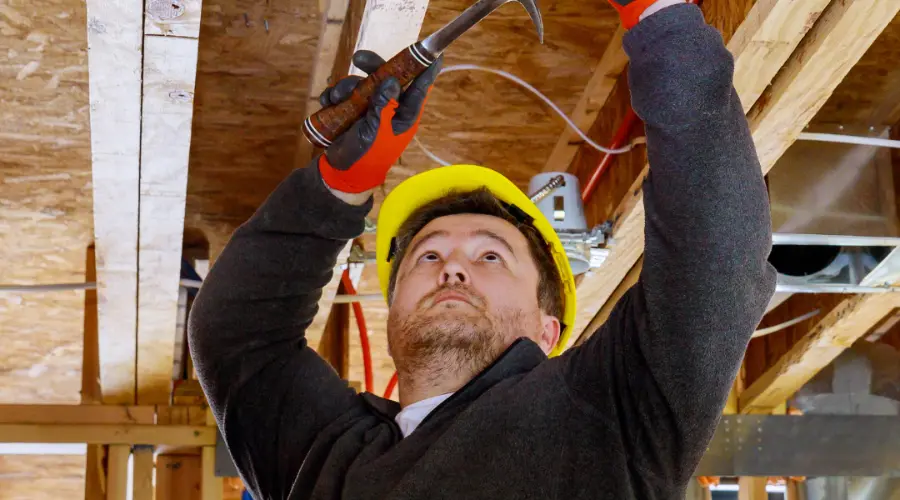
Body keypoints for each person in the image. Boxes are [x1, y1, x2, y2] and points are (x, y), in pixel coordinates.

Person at [188, 0, 776, 498]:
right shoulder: (324, 459)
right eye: (428, 256)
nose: (453, 269)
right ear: (393, 318)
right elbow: (237, 336)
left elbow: (715, 264)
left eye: (491, 255)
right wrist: (338, 187)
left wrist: (658, 16)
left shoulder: (609, 416)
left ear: (550, 333)